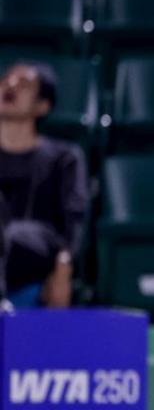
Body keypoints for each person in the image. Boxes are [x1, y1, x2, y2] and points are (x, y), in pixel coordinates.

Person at [0, 61, 88, 308]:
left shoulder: (65, 157)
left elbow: (74, 220)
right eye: (6, 79)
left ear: (42, 106)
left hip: (36, 250)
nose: (10, 85)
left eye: (24, 83)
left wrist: (63, 269)